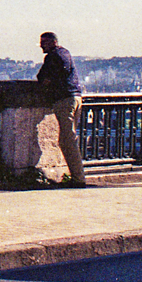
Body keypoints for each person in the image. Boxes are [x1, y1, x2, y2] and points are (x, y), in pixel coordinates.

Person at [36, 31, 87, 188]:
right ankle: (78, 176)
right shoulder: (65, 53)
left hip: (64, 100)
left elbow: (43, 77)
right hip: (75, 97)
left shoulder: (52, 56)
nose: (41, 46)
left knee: (67, 141)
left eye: (44, 43)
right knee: (69, 139)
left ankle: (78, 178)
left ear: (53, 42)